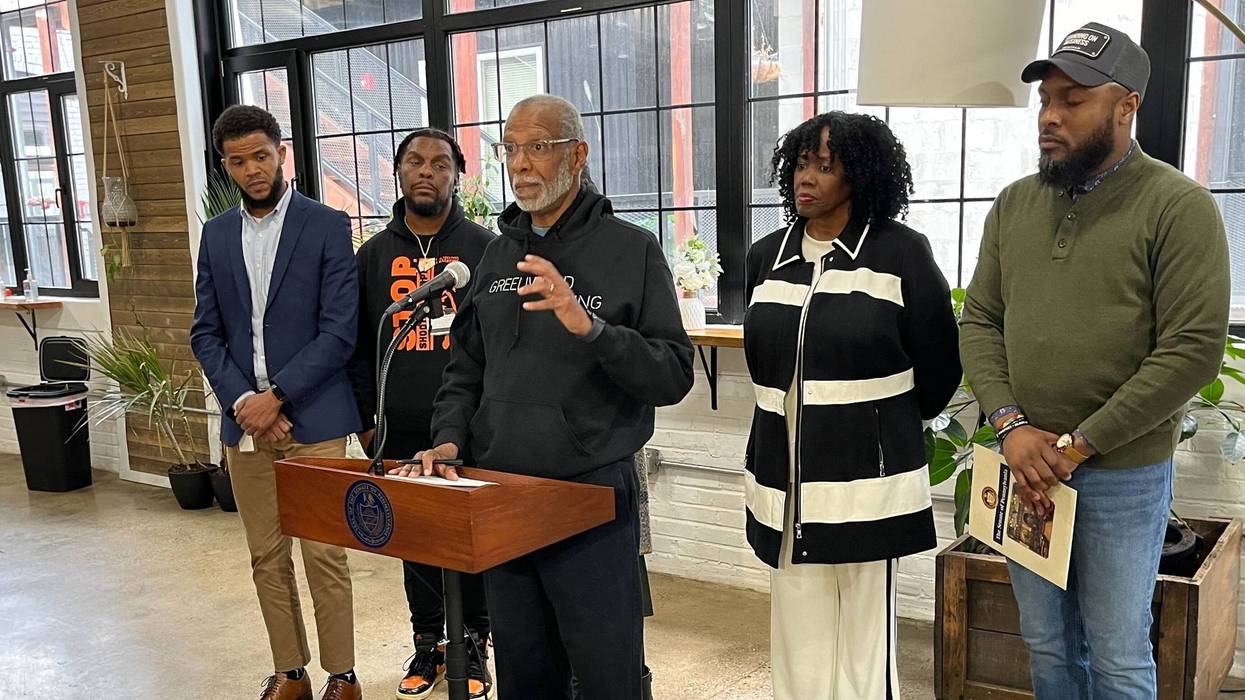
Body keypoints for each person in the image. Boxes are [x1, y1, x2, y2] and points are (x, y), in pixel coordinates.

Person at [389, 93, 694, 699]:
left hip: (588, 500)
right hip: (504, 497)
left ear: (577, 154)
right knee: (527, 675)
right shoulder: (497, 254)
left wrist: (593, 330)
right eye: (510, 149)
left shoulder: (632, 251)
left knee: (609, 675)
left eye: (538, 147)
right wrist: (448, 439)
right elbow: (466, 367)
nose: (521, 163)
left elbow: (674, 373)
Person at [960, 23, 1229, 699]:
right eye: (1045, 98)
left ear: (1125, 106)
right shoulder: (1014, 204)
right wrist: (1011, 427)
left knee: (1115, 655)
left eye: (1072, 99)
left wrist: (1079, 444)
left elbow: (1191, 349)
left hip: (1120, 475)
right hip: (1024, 470)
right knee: (1046, 648)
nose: (1049, 116)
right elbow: (981, 320)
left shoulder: (1178, 206)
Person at [743, 111, 961, 699]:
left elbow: (940, 364)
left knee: (864, 632)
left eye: (826, 165)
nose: (806, 177)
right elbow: (765, 359)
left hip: (867, 477)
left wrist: (878, 428)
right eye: (801, 163)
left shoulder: (900, 253)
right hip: (784, 476)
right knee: (797, 621)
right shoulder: (768, 255)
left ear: (861, 175)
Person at [190, 105, 363, 700]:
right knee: (266, 556)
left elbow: (340, 331)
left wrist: (278, 396)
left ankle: (343, 676)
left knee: (325, 555)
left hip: (313, 417)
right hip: (246, 424)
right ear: (226, 166)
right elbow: (204, 333)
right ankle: (290, 672)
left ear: (281, 153)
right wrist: (245, 400)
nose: (253, 170)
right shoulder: (215, 237)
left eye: (261, 156)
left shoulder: (325, 226)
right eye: (238, 161)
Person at [347, 128, 495, 700]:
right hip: (398, 428)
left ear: (457, 174)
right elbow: (356, 344)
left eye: (439, 162)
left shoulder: (485, 249)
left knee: (468, 540)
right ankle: (428, 641)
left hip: (468, 429)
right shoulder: (373, 255)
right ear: (399, 172)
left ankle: (474, 644)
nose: (426, 171)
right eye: (415, 161)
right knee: (414, 543)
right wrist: (367, 421)